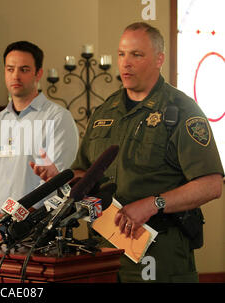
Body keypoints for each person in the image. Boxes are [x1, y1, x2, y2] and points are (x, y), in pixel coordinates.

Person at [31, 22, 223, 282]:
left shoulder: (181, 111)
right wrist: (63, 178)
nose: (126, 63)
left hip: (158, 252)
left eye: (136, 54)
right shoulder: (105, 112)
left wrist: (153, 204)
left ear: (159, 59)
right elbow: (84, 171)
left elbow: (211, 184)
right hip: (102, 249)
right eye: (121, 54)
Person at [0, 41, 79, 249]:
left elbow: (55, 179)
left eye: (24, 69)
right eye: (10, 69)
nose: (16, 76)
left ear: (38, 74)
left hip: (38, 227)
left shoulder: (57, 119)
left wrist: (21, 218)